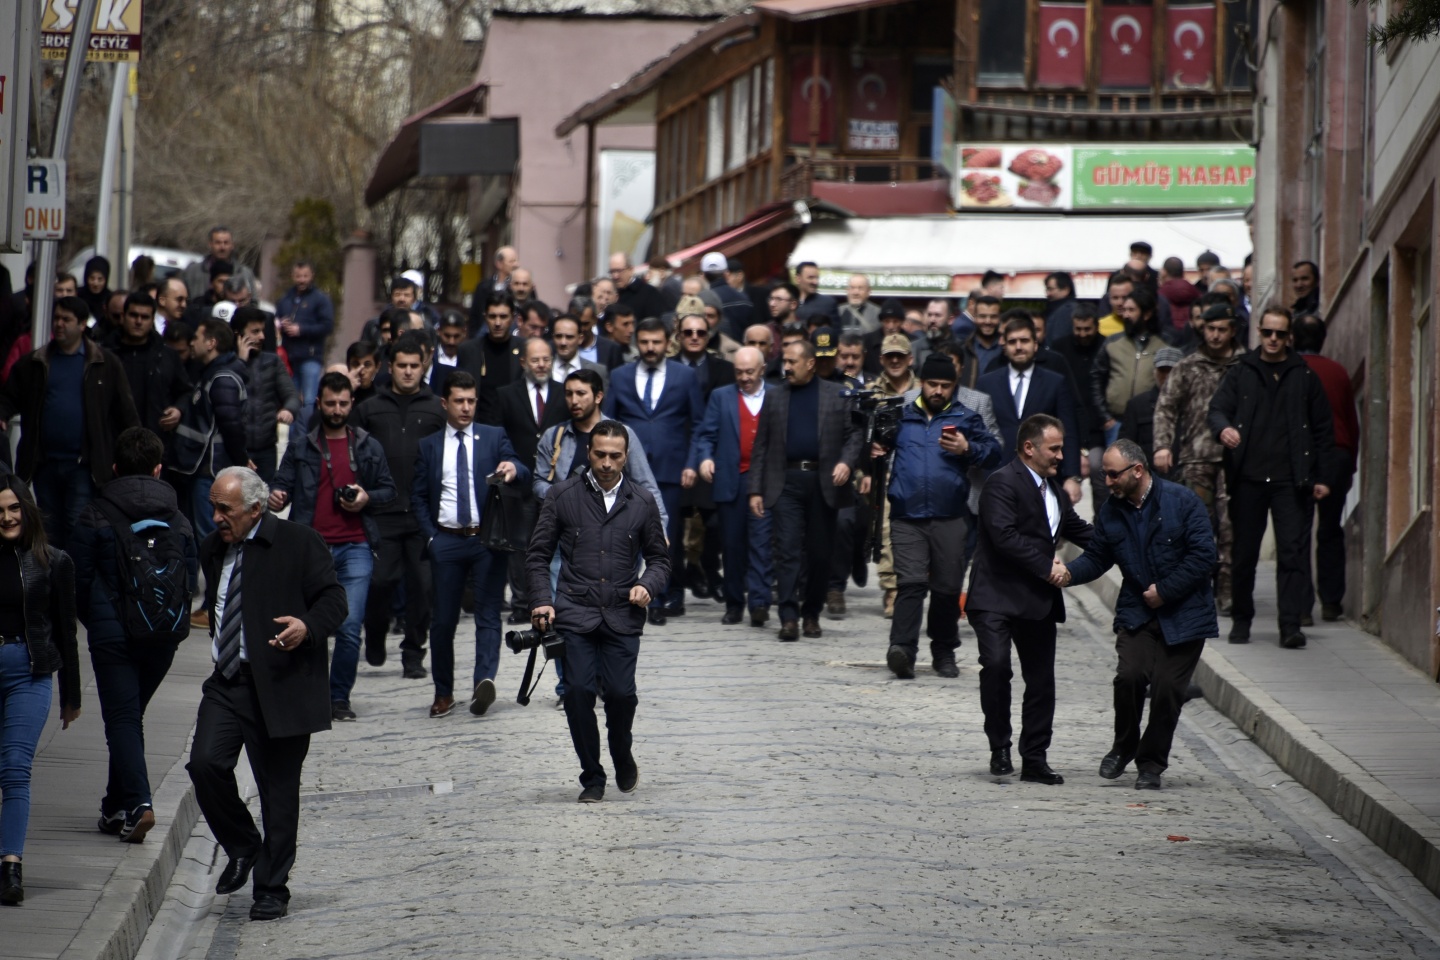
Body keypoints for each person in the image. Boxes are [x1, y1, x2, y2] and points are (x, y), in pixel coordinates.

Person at [185, 466, 347, 922]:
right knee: (204, 763)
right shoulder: (213, 547)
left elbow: (334, 600)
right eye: (213, 507)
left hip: (280, 685)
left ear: (255, 510)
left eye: (225, 509)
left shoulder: (299, 542)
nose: (216, 517)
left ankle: (272, 888)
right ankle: (242, 844)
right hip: (228, 682)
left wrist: (307, 627)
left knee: (278, 793)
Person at [526, 420, 670, 803]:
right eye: (600, 454)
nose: (607, 463)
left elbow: (659, 559)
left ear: (626, 457)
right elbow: (538, 555)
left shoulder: (642, 501)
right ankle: (592, 776)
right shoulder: (562, 495)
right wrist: (541, 600)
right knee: (577, 692)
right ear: (589, 452)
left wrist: (647, 585)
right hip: (575, 610)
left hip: (623, 613)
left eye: (615, 456)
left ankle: (621, 753)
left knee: (622, 695)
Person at [1062, 440, 1217, 790]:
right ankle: (1124, 745)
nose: (1108, 481)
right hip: (1138, 611)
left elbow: (1203, 556)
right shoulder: (1111, 511)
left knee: (1167, 690)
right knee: (1129, 676)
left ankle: (1151, 763)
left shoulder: (1182, 501)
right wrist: (1069, 574)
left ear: (1138, 470)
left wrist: (1166, 591)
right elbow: (1098, 557)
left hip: (1186, 614)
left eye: (1113, 474)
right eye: (1104, 474)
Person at [71, 428, 196, 843]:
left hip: (114, 636)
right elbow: (191, 580)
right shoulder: (179, 519)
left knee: (123, 719)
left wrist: (99, 624)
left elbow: (78, 582)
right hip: (162, 636)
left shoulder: (94, 514)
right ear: (159, 469)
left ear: (115, 468)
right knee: (130, 718)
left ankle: (140, 803)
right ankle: (113, 805)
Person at [966, 414, 1092, 785]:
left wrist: (1126, 544)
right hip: (996, 596)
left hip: (1036, 601)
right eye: (1054, 448)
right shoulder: (1001, 483)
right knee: (997, 666)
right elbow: (1004, 537)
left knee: (1041, 682)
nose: (1060, 455)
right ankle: (999, 745)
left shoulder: (1053, 492)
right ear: (1029, 448)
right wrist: (1047, 566)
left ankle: (1035, 758)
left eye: (1061, 448)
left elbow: (1079, 530)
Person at [1208, 307, 1339, 648]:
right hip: (1248, 478)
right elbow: (1217, 408)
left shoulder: (1303, 375)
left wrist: (1323, 477)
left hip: (1291, 481)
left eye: (1280, 334)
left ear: (1289, 337)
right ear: (1260, 333)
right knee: (1245, 554)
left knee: (1293, 554)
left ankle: (1290, 625)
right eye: (1268, 333)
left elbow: (1325, 430)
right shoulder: (1242, 372)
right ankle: (1241, 619)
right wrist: (1224, 429)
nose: (1273, 340)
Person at [269, 373, 395, 721]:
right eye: (330, 403)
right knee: (310, 625)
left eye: (343, 403)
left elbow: (389, 491)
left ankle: (338, 698)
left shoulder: (368, 445)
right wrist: (276, 497)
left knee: (350, 626)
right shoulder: (301, 446)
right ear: (319, 404)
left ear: (351, 403)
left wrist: (367, 496)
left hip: (356, 546)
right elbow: (280, 488)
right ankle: (312, 692)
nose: (337, 410)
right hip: (311, 548)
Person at [411, 371, 530, 719]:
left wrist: (512, 468)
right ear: (445, 403)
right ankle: (443, 692)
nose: (466, 408)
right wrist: (431, 537)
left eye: (471, 401)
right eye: (459, 401)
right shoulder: (429, 446)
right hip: (446, 539)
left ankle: (483, 684)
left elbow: (520, 468)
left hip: (486, 539)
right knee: (444, 621)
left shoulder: (492, 437)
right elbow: (417, 496)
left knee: (489, 614)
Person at [877, 356, 1000, 680]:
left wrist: (967, 448)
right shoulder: (901, 415)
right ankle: (901, 650)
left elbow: (994, 452)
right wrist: (875, 450)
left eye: (945, 386)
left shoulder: (965, 417)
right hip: (907, 515)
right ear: (922, 383)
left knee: (946, 588)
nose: (938, 390)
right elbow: (876, 446)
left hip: (950, 517)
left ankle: (944, 652)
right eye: (933, 384)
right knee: (911, 583)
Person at [0, 296, 139, 549]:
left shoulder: (104, 364)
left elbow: (126, 413)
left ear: (83, 324)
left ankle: (73, 583)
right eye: (56, 318)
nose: (59, 324)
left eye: (67, 319)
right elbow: (10, 396)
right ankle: (51, 582)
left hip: (84, 468)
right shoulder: (37, 363)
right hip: (45, 464)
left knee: (77, 526)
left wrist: (133, 457)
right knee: (48, 528)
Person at [0, 477, 80, 906]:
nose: (8, 518)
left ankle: (10, 863)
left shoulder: (53, 561)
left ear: (27, 510)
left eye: (14, 508)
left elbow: (67, 631)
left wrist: (73, 695)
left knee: (15, 766)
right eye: (0, 511)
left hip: (30, 674)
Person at [748, 339, 862, 640]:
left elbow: (854, 436)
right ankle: (788, 616)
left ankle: (811, 612)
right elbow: (761, 445)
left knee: (820, 554)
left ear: (810, 363)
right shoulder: (774, 397)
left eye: (792, 362)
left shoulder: (836, 395)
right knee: (786, 551)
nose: (786, 367)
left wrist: (846, 463)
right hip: (785, 482)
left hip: (823, 482)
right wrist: (755, 490)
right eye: (784, 361)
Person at [353, 337, 447, 677]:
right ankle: (375, 635)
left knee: (422, 586)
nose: (408, 372)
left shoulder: (437, 408)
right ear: (390, 367)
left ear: (423, 367)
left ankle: (413, 653)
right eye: (402, 366)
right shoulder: (369, 408)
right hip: (382, 512)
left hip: (423, 513)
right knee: (380, 582)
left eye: (414, 365)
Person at [602, 317, 704, 623]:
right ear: (636, 341)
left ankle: (657, 600)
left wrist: (691, 463)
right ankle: (623, 596)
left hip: (670, 467)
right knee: (625, 534)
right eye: (644, 342)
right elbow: (609, 421)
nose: (650, 348)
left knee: (664, 535)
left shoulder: (685, 376)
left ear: (668, 341)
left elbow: (698, 424)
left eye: (656, 342)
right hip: (626, 471)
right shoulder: (620, 375)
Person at [1152, 303, 1245, 614]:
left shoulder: (1244, 365)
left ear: (1232, 330)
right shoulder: (1188, 366)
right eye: (1210, 329)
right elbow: (1165, 408)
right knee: (1197, 528)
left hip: (1238, 460)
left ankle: (1229, 591)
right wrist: (1162, 446)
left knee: (1231, 527)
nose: (1215, 336)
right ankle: (1196, 590)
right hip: (1197, 459)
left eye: (1221, 330)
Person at [488, 337, 568, 622]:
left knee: (552, 542)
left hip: (553, 482)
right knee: (520, 546)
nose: (542, 364)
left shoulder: (563, 392)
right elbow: (499, 434)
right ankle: (522, 604)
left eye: (546, 359)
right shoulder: (507, 394)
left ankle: (552, 599)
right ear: (523, 362)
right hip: (519, 482)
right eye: (535, 360)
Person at [691, 347, 773, 626]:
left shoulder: (775, 395)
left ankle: (760, 602)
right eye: (739, 372)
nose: (744, 377)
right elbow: (706, 435)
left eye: (750, 372)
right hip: (731, 480)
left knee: (762, 544)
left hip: (764, 480)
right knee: (733, 546)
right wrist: (704, 460)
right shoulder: (721, 396)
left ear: (762, 369)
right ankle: (735, 603)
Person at [976, 313, 1083, 503]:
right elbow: (979, 430)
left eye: (1024, 340)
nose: (1018, 347)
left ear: (1035, 345)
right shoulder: (986, 383)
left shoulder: (1055, 382)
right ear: (1004, 347)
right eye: (1012, 342)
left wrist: (1072, 476)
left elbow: (1069, 431)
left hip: (1044, 475)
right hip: (998, 476)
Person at [1293, 314, 1358, 622]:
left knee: (1299, 532)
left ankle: (1302, 607)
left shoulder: (1291, 371)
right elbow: (1350, 420)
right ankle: (1331, 602)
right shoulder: (1338, 372)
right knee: (1331, 530)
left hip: (1304, 456)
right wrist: (1351, 460)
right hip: (1337, 454)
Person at [173, 318, 251, 547]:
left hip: (210, 469)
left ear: (211, 343)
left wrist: (242, 460)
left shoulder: (222, 378)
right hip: (200, 467)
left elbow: (230, 423)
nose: (191, 342)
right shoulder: (211, 372)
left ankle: (215, 583)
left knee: (209, 538)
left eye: (196, 337)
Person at [108, 291, 190, 443]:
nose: (138, 321)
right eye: (133, 315)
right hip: (113, 441)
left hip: (154, 442)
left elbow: (185, 391)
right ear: (123, 316)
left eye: (145, 317)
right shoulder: (105, 354)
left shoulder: (166, 355)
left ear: (152, 320)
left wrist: (179, 409)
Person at [231, 307, 299, 484]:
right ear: (238, 333)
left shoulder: (273, 362)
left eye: (262, 330)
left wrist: (289, 410)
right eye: (255, 331)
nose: (262, 336)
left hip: (266, 450)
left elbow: (291, 394)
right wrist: (240, 362)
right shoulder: (227, 362)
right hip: (235, 450)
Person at [1093, 286, 1165, 446]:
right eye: (1124, 310)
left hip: (1150, 422)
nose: (1125, 315)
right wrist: (1105, 417)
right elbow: (1096, 379)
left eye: (1131, 310)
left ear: (1146, 314)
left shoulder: (1164, 345)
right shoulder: (1112, 342)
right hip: (1115, 422)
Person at [276, 261, 335, 427]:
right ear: (292, 276)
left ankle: (308, 434)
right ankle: (294, 439)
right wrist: (281, 324)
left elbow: (327, 325)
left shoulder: (321, 299)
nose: (301, 280)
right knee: (291, 399)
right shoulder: (285, 299)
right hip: (289, 357)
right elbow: (276, 319)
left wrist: (301, 329)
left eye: (305, 276)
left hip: (311, 356)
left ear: (312, 276)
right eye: (298, 276)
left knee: (309, 400)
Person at [457, 295, 523, 422]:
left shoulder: (524, 349)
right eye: (492, 317)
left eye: (503, 317)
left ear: (513, 318)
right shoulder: (468, 350)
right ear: (485, 317)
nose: (497, 323)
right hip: (479, 425)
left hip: (514, 426)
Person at [1119, 347, 1182, 465]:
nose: (1167, 376)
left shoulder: (1191, 405)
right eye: (1162, 370)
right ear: (1155, 372)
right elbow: (1125, 446)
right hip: (1148, 472)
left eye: (1172, 370)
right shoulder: (1137, 405)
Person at [181, 226, 259, 301]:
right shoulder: (193, 272)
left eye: (226, 243)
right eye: (218, 243)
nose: (222, 247)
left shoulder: (244, 273)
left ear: (232, 245)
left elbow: (253, 302)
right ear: (210, 244)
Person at [550, 313, 609, 390]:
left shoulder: (598, 371)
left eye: (569, 337)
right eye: (558, 336)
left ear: (580, 339)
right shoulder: (542, 368)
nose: (563, 342)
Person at [611, 252, 666, 323]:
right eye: (612, 272)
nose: (615, 276)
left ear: (631, 270)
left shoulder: (649, 293)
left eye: (619, 271)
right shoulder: (612, 294)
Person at [792, 261, 838, 325]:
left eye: (817, 278)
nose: (815, 282)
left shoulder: (827, 304)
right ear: (798, 279)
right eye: (810, 277)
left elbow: (835, 332)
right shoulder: (787, 302)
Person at [1043, 272, 1078, 343]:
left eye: (1051, 289)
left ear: (1066, 290)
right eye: (1047, 289)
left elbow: (1057, 339)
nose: (1047, 294)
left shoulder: (1067, 310)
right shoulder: (1060, 309)